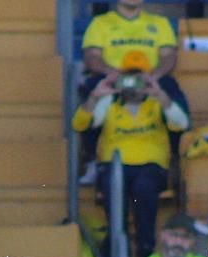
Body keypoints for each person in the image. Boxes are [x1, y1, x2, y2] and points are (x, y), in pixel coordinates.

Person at [72, 65, 189, 257]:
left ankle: (145, 249)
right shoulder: (109, 104)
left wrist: (160, 94)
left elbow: (181, 124)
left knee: (144, 188)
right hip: (115, 166)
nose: (132, 87)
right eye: (127, 81)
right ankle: (116, 252)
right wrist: (95, 96)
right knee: (113, 188)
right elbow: (79, 124)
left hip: (151, 166)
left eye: (138, 81)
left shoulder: (156, 103)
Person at [78, 0, 187, 178]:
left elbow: (169, 57)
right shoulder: (100, 23)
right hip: (113, 78)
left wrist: (153, 76)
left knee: (171, 89)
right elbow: (92, 57)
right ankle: (91, 157)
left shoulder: (159, 23)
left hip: (149, 79)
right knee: (93, 89)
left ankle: (175, 156)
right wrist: (112, 74)